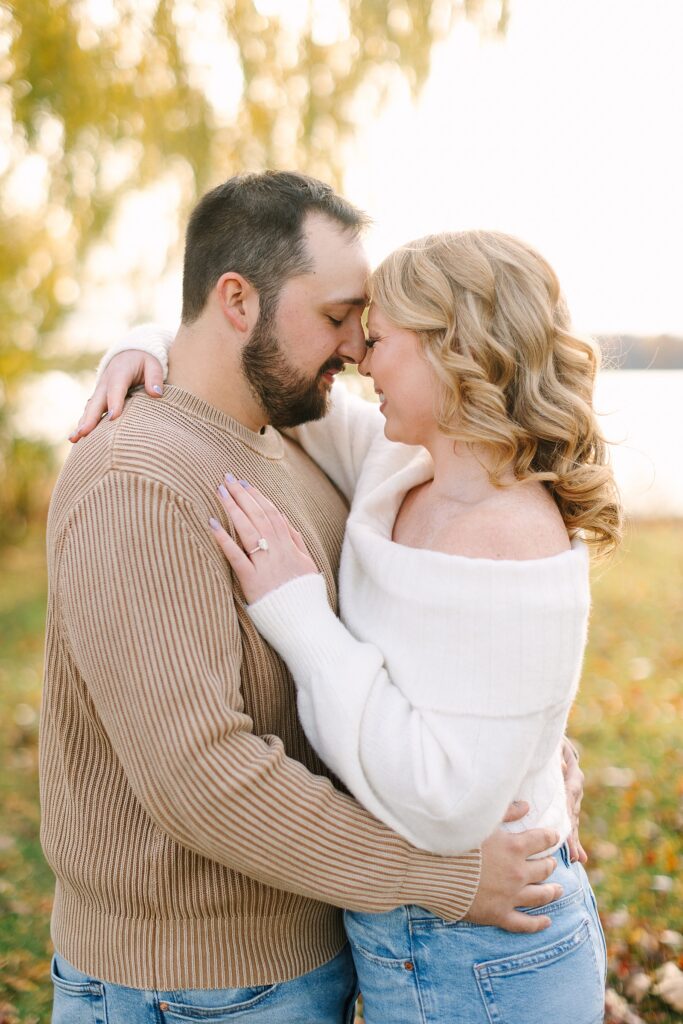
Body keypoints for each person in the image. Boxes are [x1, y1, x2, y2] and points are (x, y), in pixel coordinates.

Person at [46, 173, 575, 1024]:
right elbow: (201, 776)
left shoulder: (291, 435)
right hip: (190, 987)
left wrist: (525, 753)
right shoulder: (134, 481)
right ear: (238, 301)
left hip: (302, 957)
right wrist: (441, 875)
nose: (359, 346)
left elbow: (434, 634)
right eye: (336, 317)